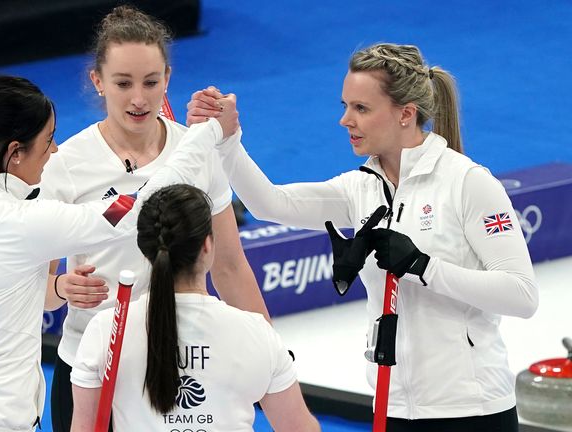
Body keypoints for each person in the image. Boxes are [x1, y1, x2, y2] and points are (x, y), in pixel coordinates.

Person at [188, 43, 539, 431]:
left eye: (361, 109)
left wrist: (423, 267)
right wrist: (228, 141)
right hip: (393, 407)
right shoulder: (361, 188)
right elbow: (272, 204)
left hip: (472, 412)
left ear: (406, 114)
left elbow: (521, 295)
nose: (345, 120)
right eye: (345, 106)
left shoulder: (468, 183)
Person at [0, 75, 239, 431]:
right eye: (48, 140)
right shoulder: (24, 222)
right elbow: (132, 211)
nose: (56, 150)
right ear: (15, 153)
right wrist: (205, 135)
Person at [40, 6, 270, 430]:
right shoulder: (66, 165)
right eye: (123, 83)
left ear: (167, 77)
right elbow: (37, 291)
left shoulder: (197, 151)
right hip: (92, 370)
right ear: (98, 81)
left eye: (150, 82)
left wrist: (274, 354)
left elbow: (231, 266)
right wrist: (59, 287)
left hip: (179, 369)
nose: (139, 99)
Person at [69, 184, 321, 432]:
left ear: (145, 250)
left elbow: (83, 427)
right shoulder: (257, 334)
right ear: (208, 245)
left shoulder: (105, 330)